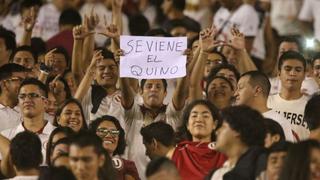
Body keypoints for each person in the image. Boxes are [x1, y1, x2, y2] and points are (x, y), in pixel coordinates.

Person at [1, 78, 56, 164]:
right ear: (18, 103)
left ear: (45, 102)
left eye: (33, 95)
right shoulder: (5, 136)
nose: (27, 100)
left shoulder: (59, 135)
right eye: (22, 97)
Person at [169, 100, 227, 180]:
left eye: (205, 116)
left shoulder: (226, 153)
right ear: (187, 125)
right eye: (194, 116)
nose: (199, 120)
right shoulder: (174, 154)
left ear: (214, 124)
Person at [234, 71, 294, 141]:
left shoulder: (279, 122)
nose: (235, 94)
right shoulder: (237, 119)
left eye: (240, 88)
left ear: (257, 90)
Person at [211, 105, 266, 180]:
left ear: (237, 131)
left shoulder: (264, 168)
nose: (217, 132)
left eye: (223, 127)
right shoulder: (216, 174)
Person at [267, 51, 310, 140]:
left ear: (304, 75)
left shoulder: (312, 106)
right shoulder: (266, 102)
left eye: (298, 70)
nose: (292, 73)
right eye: (287, 69)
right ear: (279, 73)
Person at [90, 115, 140, 180]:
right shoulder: (79, 162)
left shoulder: (127, 166)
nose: (108, 135)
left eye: (113, 132)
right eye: (102, 131)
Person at [0, 64, 28, 131]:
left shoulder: (29, 108)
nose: (24, 85)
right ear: (4, 84)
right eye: (19, 80)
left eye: (25, 81)